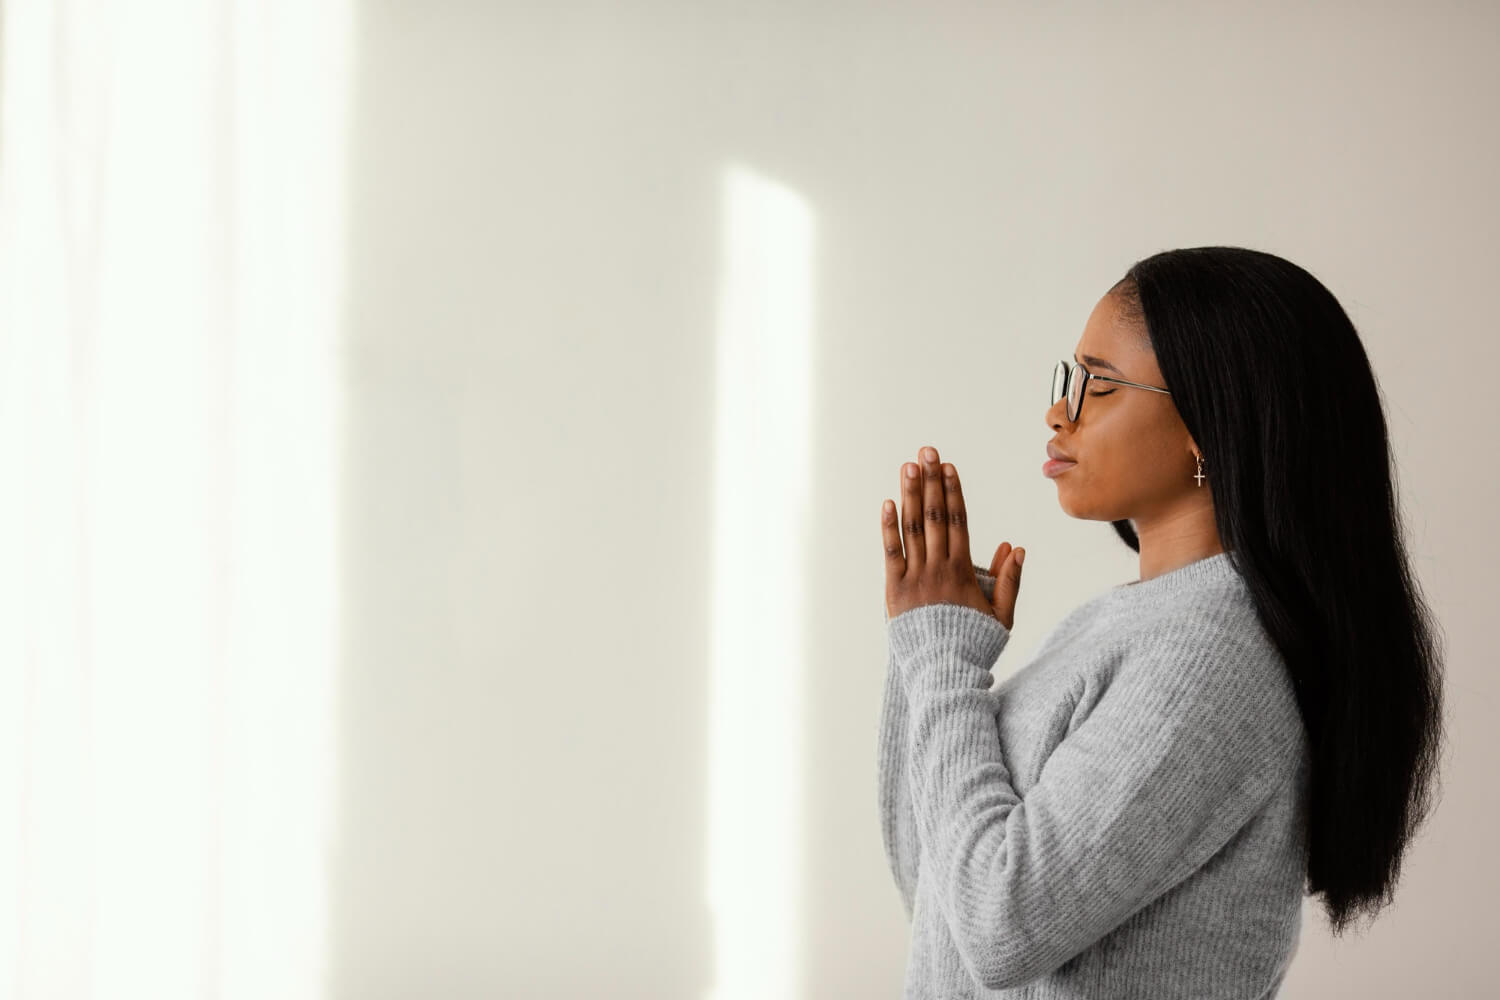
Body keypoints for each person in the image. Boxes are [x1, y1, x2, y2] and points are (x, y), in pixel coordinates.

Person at [877, 246, 1445, 998]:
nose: (1059, 411)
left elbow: (998, 927)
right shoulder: (1124, 626)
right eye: (1069, 379)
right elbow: (936, 894)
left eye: (1100, 385)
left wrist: (943, 663)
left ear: (1209, 426)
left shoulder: (1213, 657)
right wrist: (928, 642)